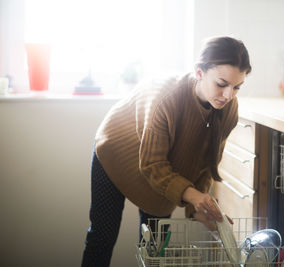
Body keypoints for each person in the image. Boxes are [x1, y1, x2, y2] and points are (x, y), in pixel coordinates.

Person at [81, 36, 252, 267]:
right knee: (103, 235)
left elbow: (207, 162)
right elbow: (152, 164)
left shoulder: (228, 106)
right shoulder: (166, 98)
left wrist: (197, 209)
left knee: (156, 245)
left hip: (161, 166)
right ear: (199, 73)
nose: (228, 95)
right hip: (117, 152)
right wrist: (194, 197)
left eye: (237, 87)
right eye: (221, 84)